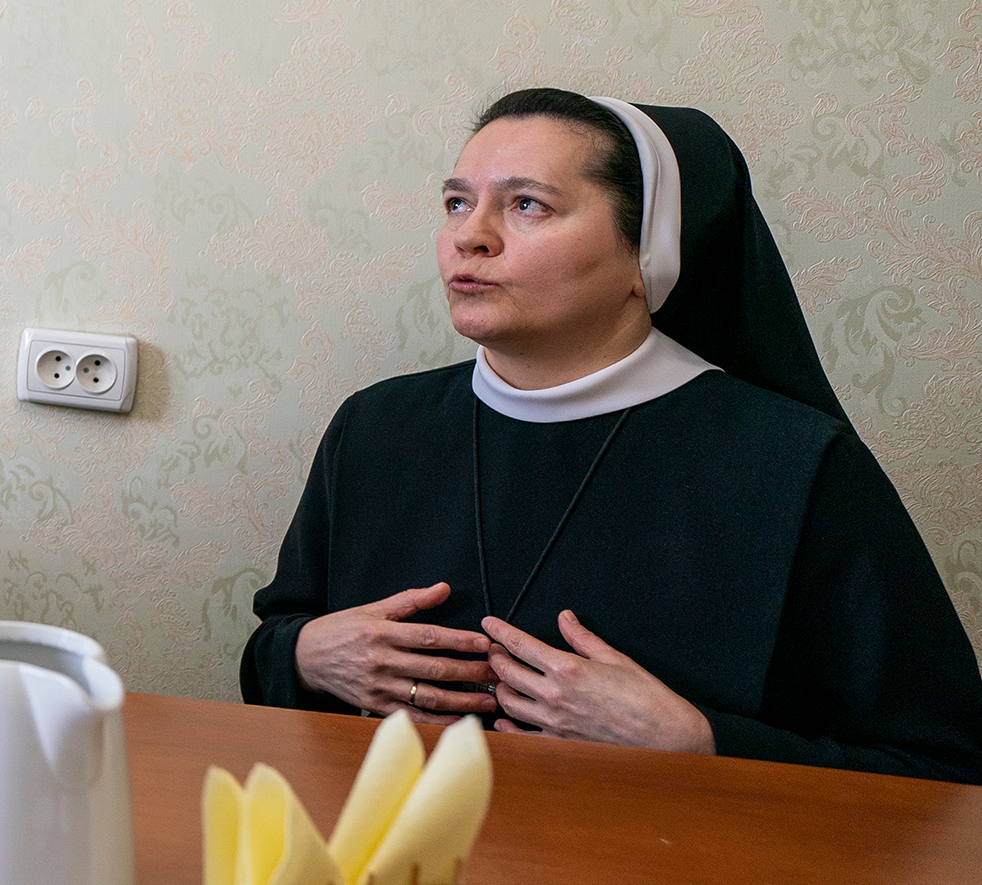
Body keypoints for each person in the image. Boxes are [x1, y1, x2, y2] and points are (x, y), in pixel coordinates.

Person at [244, 88, 982, 781]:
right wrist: (306, 655)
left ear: (646, 255)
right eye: (456, 203)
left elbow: (945, 766)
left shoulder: (795, 463)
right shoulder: (374, 429)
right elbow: (272, 646)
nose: (470, 236)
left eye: (527, 205)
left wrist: (700, 743)